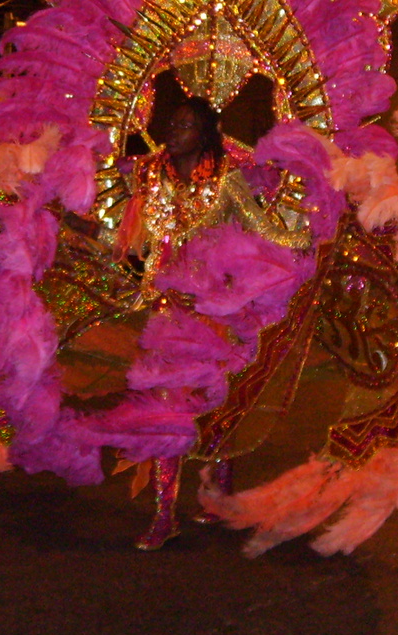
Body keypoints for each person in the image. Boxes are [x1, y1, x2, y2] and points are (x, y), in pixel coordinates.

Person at [110, 96, 308, 549]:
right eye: (172, 123)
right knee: (165, 410)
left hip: (215, 311)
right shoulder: (151, 179)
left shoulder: (226, 182)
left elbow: (264, 232)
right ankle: (164, 515)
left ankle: (216, 494)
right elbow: (125, 236)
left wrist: (307, 238)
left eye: (185, 125)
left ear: (204, 135)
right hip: (166, 310)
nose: (173, 131)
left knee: (217, 406)